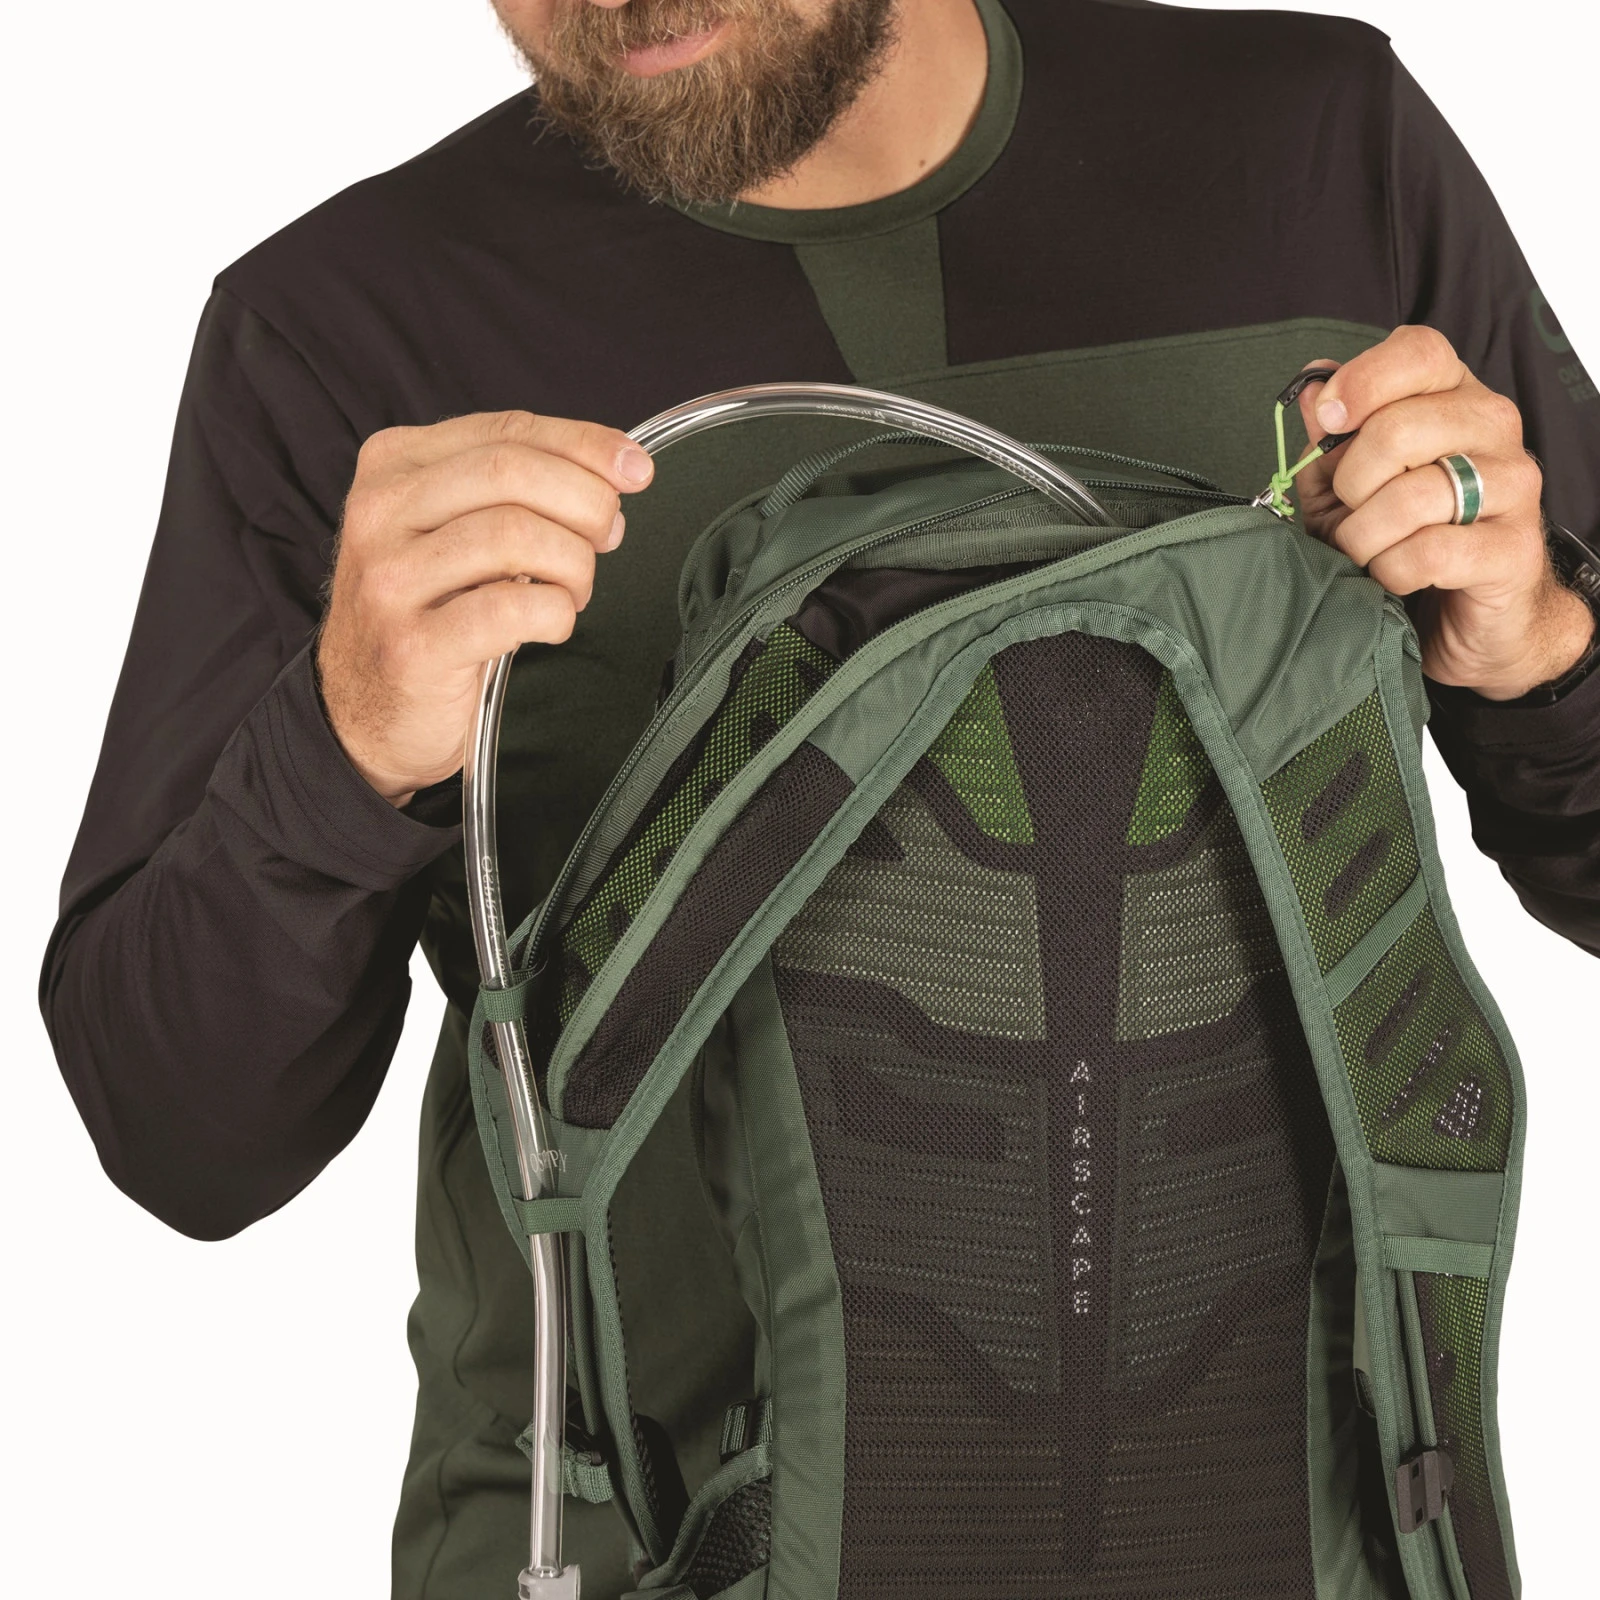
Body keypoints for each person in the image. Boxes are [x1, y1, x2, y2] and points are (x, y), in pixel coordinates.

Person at [40, 1, 1599, 1595]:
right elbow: (185, 1138)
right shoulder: (349, 333)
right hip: (639, 1549)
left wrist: (1537, 645)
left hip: (1305, 1535)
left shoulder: (1319, 150)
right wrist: (345, 743)